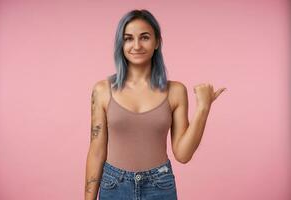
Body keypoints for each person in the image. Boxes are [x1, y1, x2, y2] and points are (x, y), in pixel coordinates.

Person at [84, 9, 226, 200]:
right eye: (128, 38)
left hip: (159, 185)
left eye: (144, 37)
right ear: (121, 43)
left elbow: (183, 155)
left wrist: (203, 108)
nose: (136, 45)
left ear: (157, 41)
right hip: (114, 185)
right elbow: (96, 151)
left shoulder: (175, 91)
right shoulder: (102, 90)